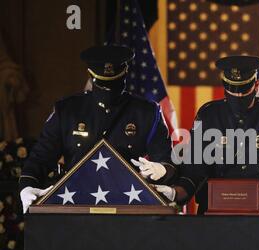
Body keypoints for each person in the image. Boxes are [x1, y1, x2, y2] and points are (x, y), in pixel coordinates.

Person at [19, 45, 175, 213]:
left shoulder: (147, 113)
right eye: (104, 85)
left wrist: (162, 170)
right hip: (75, 206)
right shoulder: (67, 111)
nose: (108, 91)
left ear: (125, 73)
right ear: (90, 75)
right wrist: (27, 187)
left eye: (113, 84)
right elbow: (40, 159)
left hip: (129, 207)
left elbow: (166, 159)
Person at [156, 55, 259, 215]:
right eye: (231, 88)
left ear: (256, 85)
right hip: (214, 212)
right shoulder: (209, 114)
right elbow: (195, 167)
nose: (237, 95)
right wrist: (176, 192)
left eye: (244, 89)